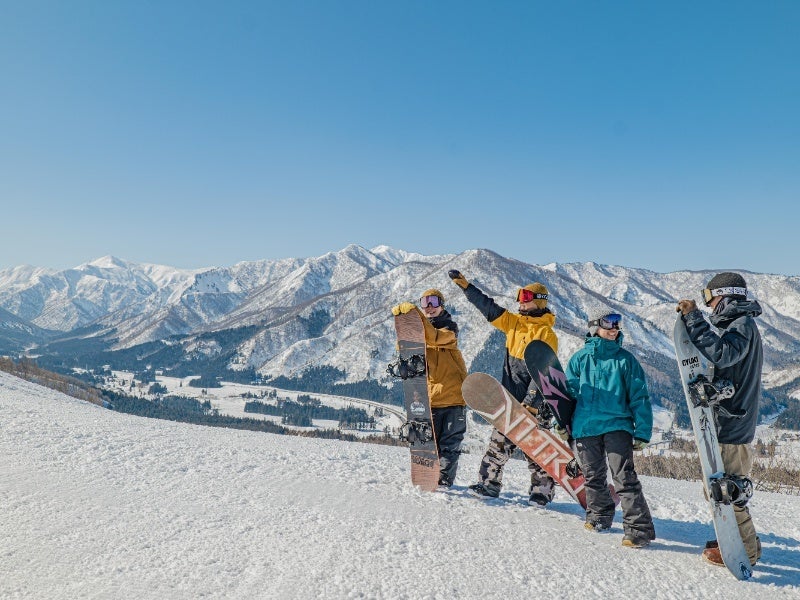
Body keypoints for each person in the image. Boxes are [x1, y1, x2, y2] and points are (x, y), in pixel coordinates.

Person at [448, 269, 557, 505]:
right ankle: (488, 484)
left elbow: (543, 373)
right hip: (509, 400)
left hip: (535, 404)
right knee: (498, 443)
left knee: (535, 450)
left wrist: (532, 404)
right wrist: (467, 287)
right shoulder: (514, 324)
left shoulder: (546, 334)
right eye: (520, 297)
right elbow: (489, 308)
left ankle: (542, 492)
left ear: (539, 302)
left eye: (526, 298)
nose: (520, 302)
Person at [677, 272, 763, 567]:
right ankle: (734, 538)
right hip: (729, 421)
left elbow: (723, 355)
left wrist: (694, 321)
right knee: (718, 488)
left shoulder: (741, 325)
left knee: (728, 491)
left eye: (708, 296)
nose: (709, 304)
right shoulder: (739, 324)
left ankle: (747, 552)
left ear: (724, 295)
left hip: (733, 426)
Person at [564, 304, 656, 548]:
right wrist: (560, 422)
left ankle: (638, 530)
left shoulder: (626, 361)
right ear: (595, 327)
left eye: (617, 323)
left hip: (617, 424)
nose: (614, 328)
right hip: (585, 426)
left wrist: (642, 430)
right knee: (593, 476)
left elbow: (639, 396)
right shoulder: (579, 359)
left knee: (624, 477)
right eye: (609, 322)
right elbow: (568, 395)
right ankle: (599, 516)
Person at [392, 289, 468, 488]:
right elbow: (406, 352)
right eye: (425, 303)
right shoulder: (421, 336)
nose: (429, 307)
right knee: (428, 444)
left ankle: (444, 482)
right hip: (430, 400)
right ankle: (428, 476)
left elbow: (433, 337)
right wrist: (405, 329)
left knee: (449, 446)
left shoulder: (450, 330)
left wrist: (415, 317)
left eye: (433, 301)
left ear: (442, 304)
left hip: (453, 399)